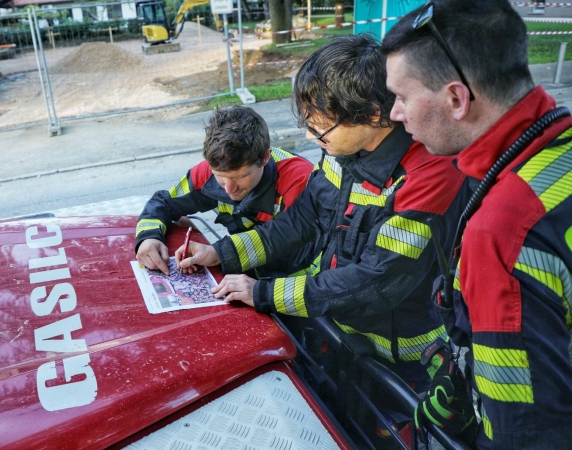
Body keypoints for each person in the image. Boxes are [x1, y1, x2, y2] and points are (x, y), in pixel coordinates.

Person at [176, 34, 471, 392]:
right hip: (339, 330)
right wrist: (221, 254)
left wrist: (265, 293)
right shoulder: (342, 151)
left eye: (320, 128)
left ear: (374, 114)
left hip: (401, 358)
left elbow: (375, 280)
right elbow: (303, 219)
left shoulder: (428, 175)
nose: (314, 137)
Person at [382, 0, 572, 447]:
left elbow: (525, 432)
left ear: (455, 98)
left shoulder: (502, 230)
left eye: (402, 96)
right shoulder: (554, 149)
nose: (395, 113)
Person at [135, 105, 315, 276]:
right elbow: (164, 202)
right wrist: (148, 237)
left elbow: (284, 237)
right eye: (219, 176)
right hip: (248, 274)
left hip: (302, 280)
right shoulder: (209, 170)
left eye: (240, 176)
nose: (229, 188)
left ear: (265, 157)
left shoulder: (300, 179)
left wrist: (220, 254)